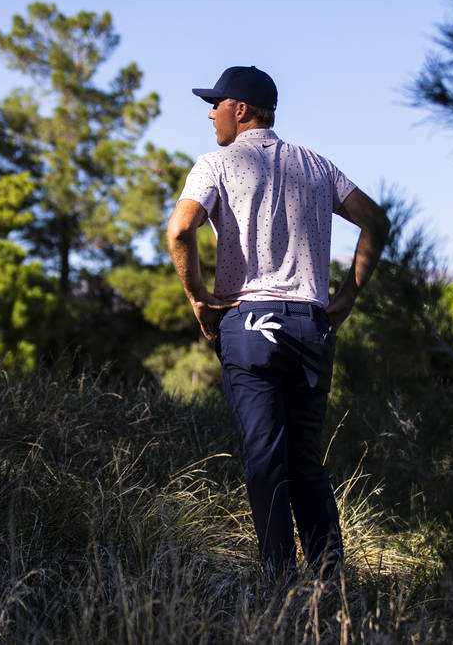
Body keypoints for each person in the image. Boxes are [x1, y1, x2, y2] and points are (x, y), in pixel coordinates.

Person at [166, 65, 389, 581]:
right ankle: (330, 583)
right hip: (312, 326)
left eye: (216, 103)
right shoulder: (316, 165)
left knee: (265, 461)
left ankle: (278, 585)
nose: (210, 112)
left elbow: (180, 230)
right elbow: (376, 221)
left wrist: (199, 298)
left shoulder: (215, 163)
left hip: (247, 324)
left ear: (240, 110)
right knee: (306, 461)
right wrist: (349, 295)